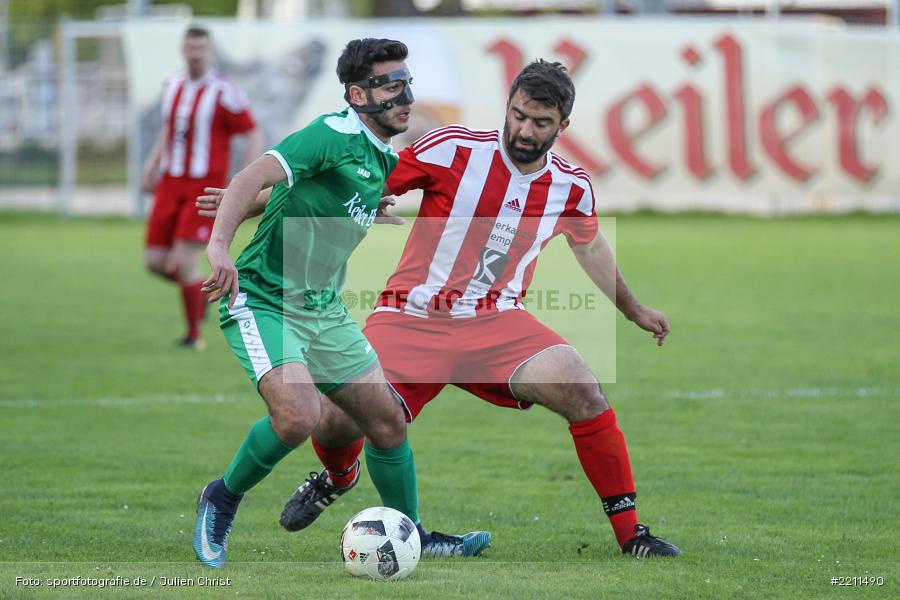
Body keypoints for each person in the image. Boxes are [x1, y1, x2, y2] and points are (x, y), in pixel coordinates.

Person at [200, 61, 680, 558]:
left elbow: (590, 246)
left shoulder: (571, 187)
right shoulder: (453, 148)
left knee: (584, 389)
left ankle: (632, 537)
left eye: (539, 123)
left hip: (498, 323)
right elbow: (350, 183)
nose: (523, 130)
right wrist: (250, 204)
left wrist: (632, 308)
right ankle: (338, 477)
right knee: (337, 422)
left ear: (563, 126)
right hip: (411, 316)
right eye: (517, 115)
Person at [192, 38, 488, 570]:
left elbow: (298, 197)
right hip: (263, 298)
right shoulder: (333, 132)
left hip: (323, 311)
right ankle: (221, 497)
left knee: (389, 422)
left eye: (406, 82)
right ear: (357, 94)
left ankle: (412, 533)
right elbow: (255, 175)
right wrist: (219, 244)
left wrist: (362, 211)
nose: (405, 95)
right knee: (297, 417)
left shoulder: (380, 158)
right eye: (390, 85)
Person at [142, 26, 262, 350]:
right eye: (191, 48)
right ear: (183, 50)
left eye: (202, 48)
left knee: (183, 263)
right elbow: (169, 130)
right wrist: (152, 165)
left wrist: (244, 180)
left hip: (203, 187)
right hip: (170, 182)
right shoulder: (173, 84)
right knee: (154, 261)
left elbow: (251, 132)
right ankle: (202, 294)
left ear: (210, 52)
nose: (196, 53)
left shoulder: (224, 91)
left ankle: (194, 335)